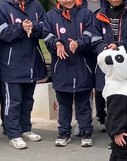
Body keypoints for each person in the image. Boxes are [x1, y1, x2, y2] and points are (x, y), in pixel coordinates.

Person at [43, 0, 95, 147]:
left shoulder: (86, 14)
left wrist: (79, 42)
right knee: (63, 104)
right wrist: (56, 43)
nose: (68, 0)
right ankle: (64, 132)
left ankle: (85, 132)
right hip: (62, 69)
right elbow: (46, 35)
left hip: (83, 68)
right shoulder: (50, 16)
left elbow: (91, 35)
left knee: (84, 104)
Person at [91, 0, 127, 146]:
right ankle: (115, 136)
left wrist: (119, 46)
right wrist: (106, 48)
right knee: (111, 102)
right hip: (107, 66)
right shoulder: (99, 15)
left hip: (125, 65)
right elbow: (94, 41)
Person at [0, 0, 47, 149]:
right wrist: (20, 28)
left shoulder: (36, 6)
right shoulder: (2, 7)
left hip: (32, 63)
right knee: (12, 102)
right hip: (10, 65)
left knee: (27, 101)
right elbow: (3, 33)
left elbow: (46, 28)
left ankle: (26, 128)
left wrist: (33, 27)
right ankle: (13, 134)